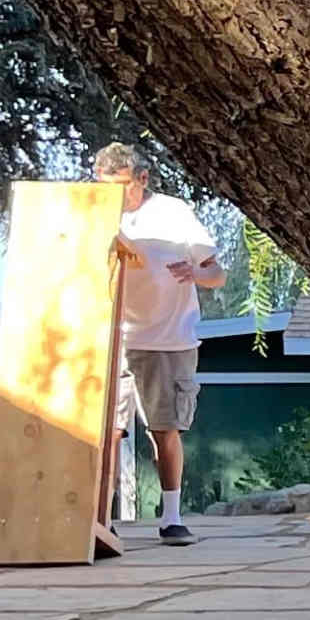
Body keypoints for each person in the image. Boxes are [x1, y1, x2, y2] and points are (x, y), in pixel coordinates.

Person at [95, 142, 222, 544]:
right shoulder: (95, 214)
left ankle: (171, 518)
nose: (115, 197)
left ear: (143, 179)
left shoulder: (174, 213)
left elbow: (216, 273)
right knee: (108, 432)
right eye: (106, 188)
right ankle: (101, 519)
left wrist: (195, 274)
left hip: (169, 339)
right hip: (113, 339)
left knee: (164, 430)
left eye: (122, 187)